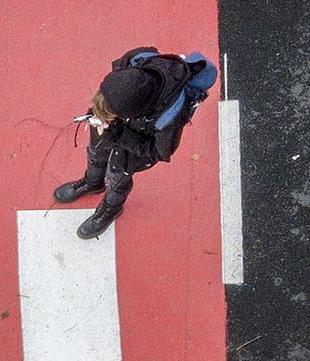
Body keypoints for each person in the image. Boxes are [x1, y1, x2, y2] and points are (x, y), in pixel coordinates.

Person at [55, 47, 212, 239]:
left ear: (131, 112)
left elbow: (158, 152)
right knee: (96, 151)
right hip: (116, 127)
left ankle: (111, 208)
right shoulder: (134, 62)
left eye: (110, 113)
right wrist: (101, 117)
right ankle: (93, 182)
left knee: (118, 176)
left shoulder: (169, 118)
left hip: (134, 146)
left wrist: (118, 134)